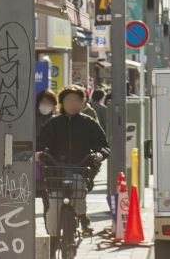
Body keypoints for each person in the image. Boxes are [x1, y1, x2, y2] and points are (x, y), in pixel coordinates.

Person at [37, 86, 109, 236]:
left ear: (83, 103)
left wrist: (100, 154)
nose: (73, 104)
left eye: (77, 100)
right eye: (69, 100)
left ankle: (83, 218)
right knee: (54, 207)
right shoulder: (53, 123)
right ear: (62, 102)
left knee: (78, 185)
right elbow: (41, 143)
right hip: (55, 171)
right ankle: (53, 240)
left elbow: (103, 145)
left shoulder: (89, 123)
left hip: (81, 169)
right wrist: (40, 153)